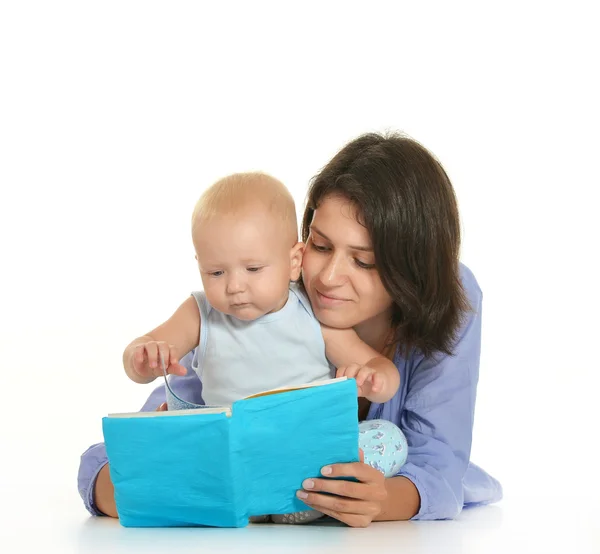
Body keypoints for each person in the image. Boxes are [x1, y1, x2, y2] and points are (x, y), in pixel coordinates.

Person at [79, 132, 502, 527]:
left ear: (413, 269)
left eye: (365, 261)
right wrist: (153, 483)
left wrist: (382, 501)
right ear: (297, 251)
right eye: (320, 246)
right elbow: (121, 454)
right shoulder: (267, 294)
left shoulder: (453, 296)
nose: (328, 278)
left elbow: (438, 463)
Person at [122, 172, 400, 407]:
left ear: (294, 262)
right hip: (234, 446)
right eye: (216, 272)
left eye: (253, 269)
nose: (234, 286)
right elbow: (141, 352)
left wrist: (375, 380)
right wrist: (144, 359)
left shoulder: (313, 315)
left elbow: (382, 368)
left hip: (306, 441)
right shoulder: (199, 314)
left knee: (387, 438)